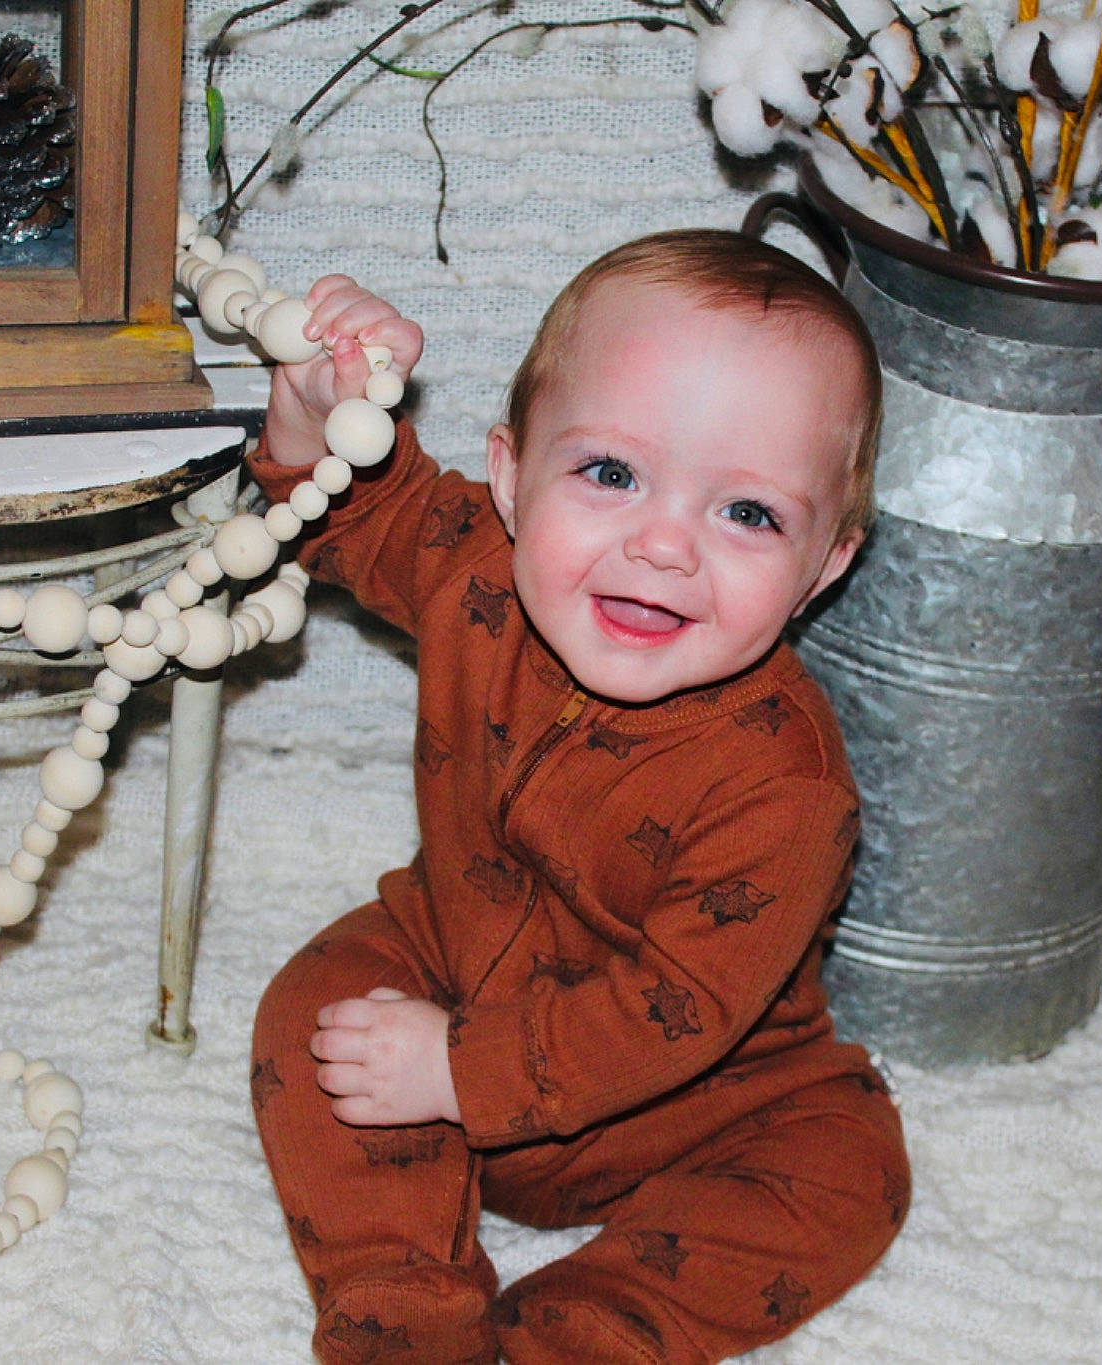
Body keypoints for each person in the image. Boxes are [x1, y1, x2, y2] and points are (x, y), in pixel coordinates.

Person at [247, 229, 908, 1365]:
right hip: (448, 970)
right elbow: (355, 513)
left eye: (747, 514)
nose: (660, 545)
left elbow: (682, 1005)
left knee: (851, 1168)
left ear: (824, 567)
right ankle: (405, 1315)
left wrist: (466, 1073)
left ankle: (590, 1330)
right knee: (315, 1011)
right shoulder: (477, 577)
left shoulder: (786, 790)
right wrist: (313, 415)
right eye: (609, 473)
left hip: (703, 1094)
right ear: (509, 479)